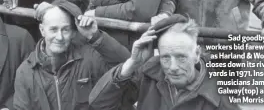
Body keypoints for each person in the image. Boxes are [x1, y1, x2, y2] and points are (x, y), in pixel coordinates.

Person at [89, 15, 241, 110]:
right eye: (166, 58)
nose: (173, 67)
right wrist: (131, 64)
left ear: (196, 54)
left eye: (181, 57)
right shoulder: (149, 75)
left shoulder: (221, 99)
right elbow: (99, 104)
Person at [14, 2, 130, 110]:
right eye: (53, 29)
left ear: (74, 32)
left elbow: (126, 67)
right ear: (42, 30)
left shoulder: (89, 59)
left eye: (65, 30)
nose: (59, 37)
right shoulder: (26, 72)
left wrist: (95, 36)